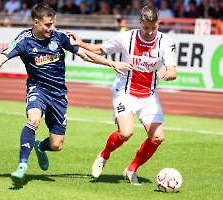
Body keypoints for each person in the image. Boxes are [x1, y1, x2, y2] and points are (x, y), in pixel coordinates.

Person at [0, 3, 133, 182]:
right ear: (36, 22)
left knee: (56, 145)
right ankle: (22, 165)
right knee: (33, 118)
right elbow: (0, 59)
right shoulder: (24, 40)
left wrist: (111, 64)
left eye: (53, 23)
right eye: (48, 25)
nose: (52, 28)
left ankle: (40, 146)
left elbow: (84, 54)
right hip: (37, 89)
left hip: (58, 94)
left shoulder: (59, 37)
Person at [68, 5, 177, 185]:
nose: (150, 32)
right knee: (126, 133)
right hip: (125, 92)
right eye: (146, 27)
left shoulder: (166, 42)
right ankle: (104, 156)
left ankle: (131, 169)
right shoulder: (127, 38)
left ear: (158, 23)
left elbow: (173, 71)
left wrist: (167, 73)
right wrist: (80, 44)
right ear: (140, 22)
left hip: (149, 95)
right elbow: (101, 50)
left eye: (154, 28)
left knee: (158, 137)